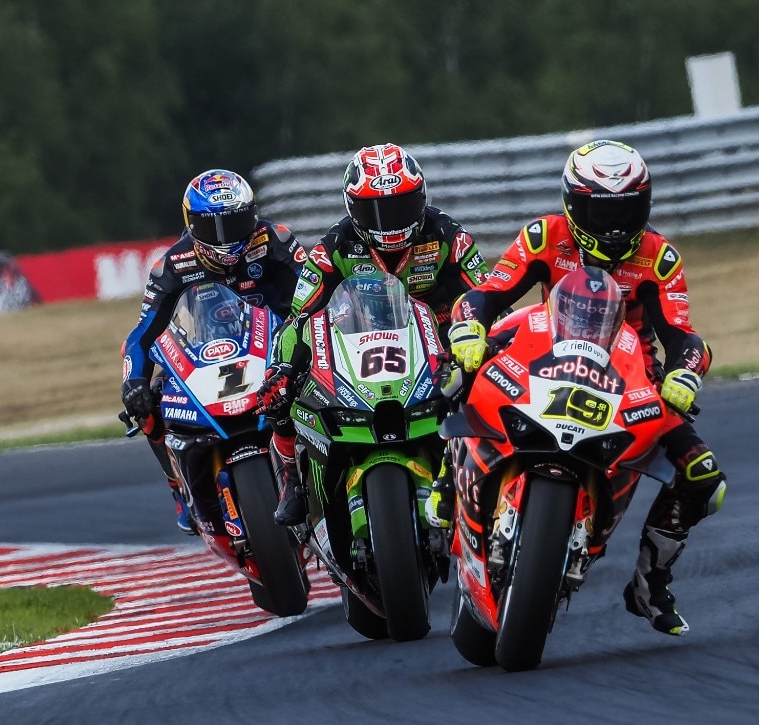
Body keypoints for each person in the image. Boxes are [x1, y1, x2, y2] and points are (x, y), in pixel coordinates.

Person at [437, 139, 725, 635]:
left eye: (627, 211)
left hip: (629, 372)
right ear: (572, 204)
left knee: (704, 478)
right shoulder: (543, 236)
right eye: (600, 212)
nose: (614, 227)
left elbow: (684, 336)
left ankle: (649, 583)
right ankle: (446, 480)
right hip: (542, 350)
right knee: (458, 368)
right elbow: (485, 295)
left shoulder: (659, 258)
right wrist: (468, 328)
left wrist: (684, 373)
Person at [256, 143, 489, 525]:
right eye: (375, 211)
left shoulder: (449, 235)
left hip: (437, 338)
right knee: (280, 391)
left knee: (485, 379)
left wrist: (484, 336)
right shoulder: (334, 246)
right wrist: (282, 370)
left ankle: (480, 473)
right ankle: (293, 479)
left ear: (421, 198)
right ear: (353, 208)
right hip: (361, 342)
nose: (390, 222)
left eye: (400, 206)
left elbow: (488, 295)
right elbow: (300, 316)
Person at [120, 169, 306, 534]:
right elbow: (142, 334)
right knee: (148, 401)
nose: (227, 237)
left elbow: (316, 293)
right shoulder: (172, 265)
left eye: (236, 221)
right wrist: (133, 382)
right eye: (214, 226)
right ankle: (178, 487)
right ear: (192, 224)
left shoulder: (276, 240)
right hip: (205, 357)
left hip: (275, 349)